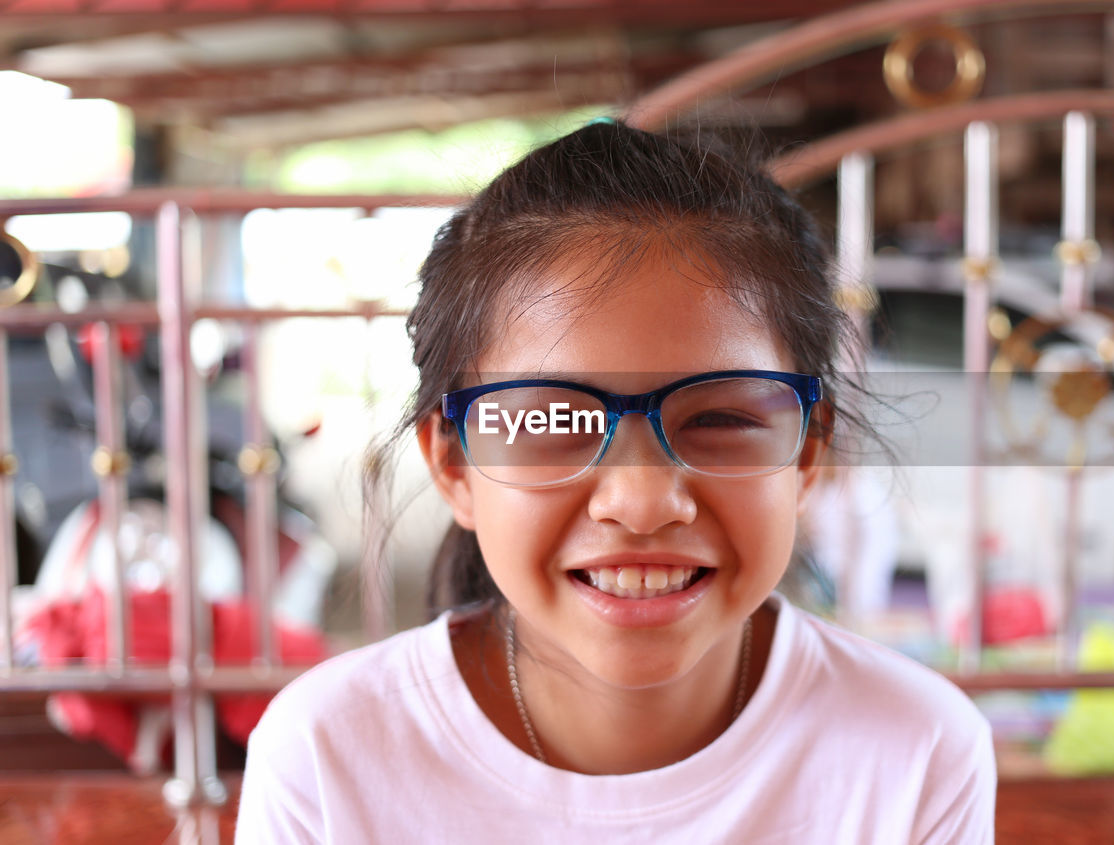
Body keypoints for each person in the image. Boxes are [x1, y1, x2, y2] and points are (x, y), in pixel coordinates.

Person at [235, 119, 996, 843]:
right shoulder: (330, 757)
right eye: (552, 423)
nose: (640, 501)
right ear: (455, 464)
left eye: (722, 419)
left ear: (807, 454)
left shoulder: (913, 750)